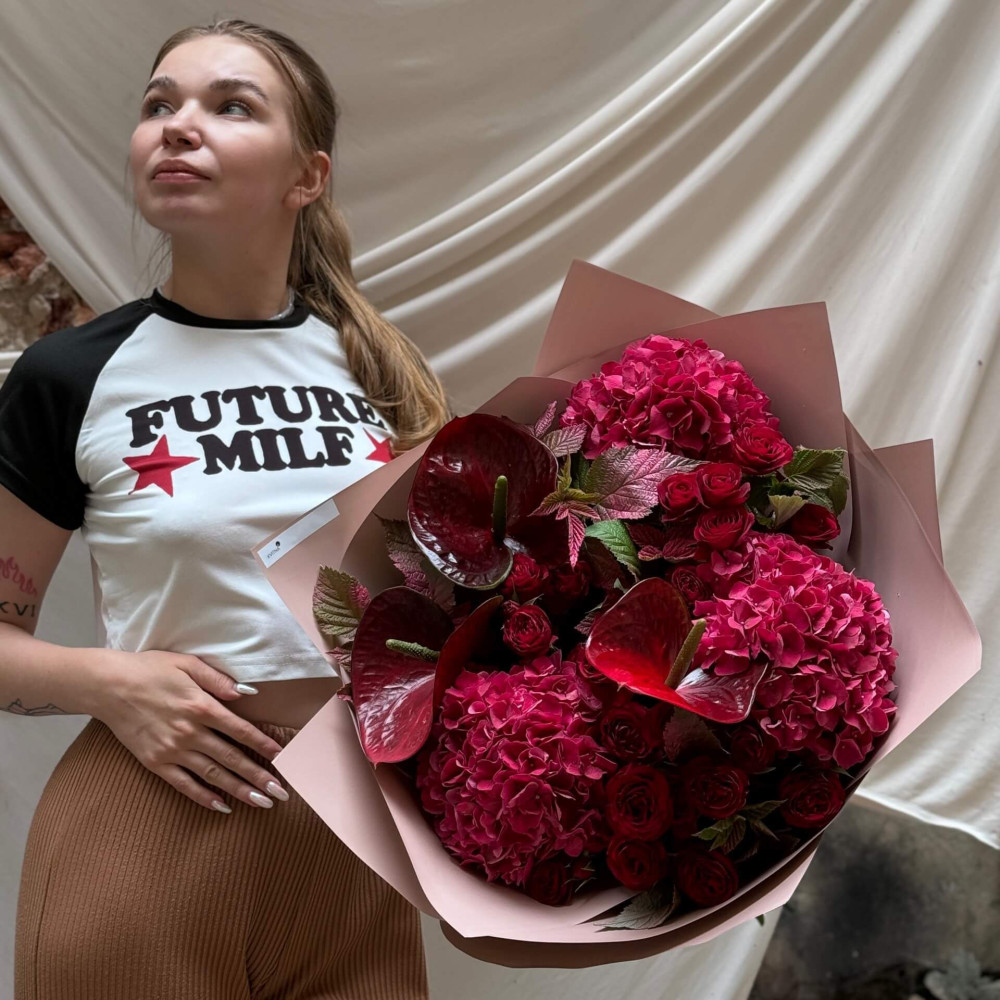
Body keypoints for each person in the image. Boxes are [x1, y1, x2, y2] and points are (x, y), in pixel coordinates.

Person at [5, 17, 454, 999]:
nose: (177, 125)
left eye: (230, 106)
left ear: (308, 176)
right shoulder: (72, 375)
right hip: (145, 838)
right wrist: (111, 683)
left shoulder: (378, 373)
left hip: (355, 860)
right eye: (158, 104)